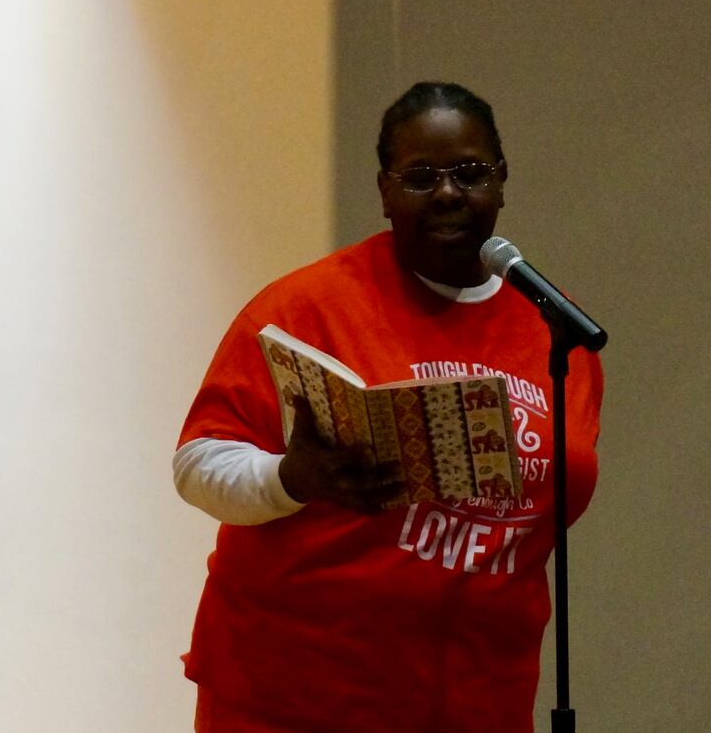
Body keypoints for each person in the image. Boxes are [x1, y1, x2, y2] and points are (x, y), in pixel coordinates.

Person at [174, 81, 603, 732]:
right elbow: (198, 462)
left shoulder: (553, 331)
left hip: (474, 695)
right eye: (421, 176)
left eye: (469, 172)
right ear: (383, 191)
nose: (449, 193)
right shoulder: (309, 307)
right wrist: (292, 478)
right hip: (295, 695)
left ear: (502, 180)